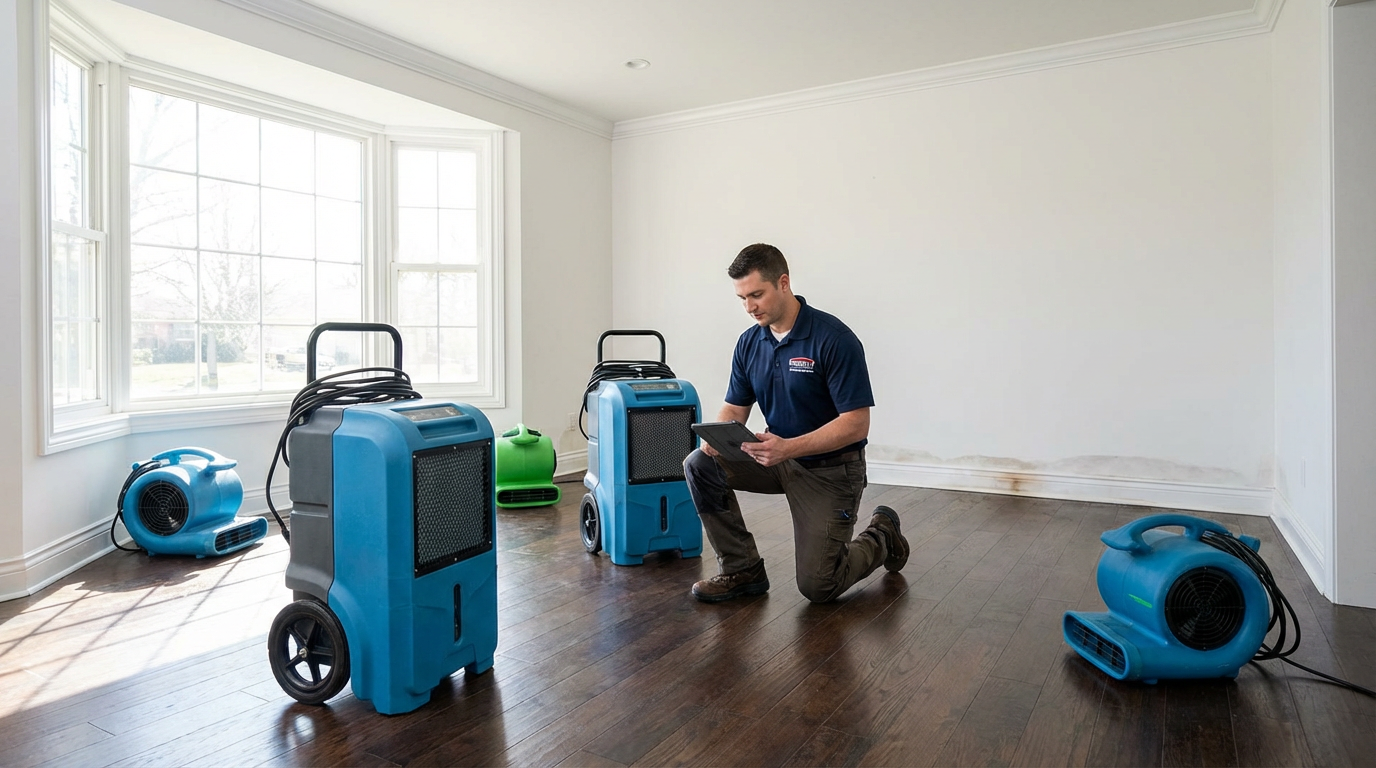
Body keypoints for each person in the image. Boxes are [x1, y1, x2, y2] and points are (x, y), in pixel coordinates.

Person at [682, 243, 909, 604]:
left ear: (783, 283)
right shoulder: (749, 343)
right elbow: (734, 409)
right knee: (700, 464)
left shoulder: (834, 339)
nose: (749, 306)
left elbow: (856, 424)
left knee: (819, 586)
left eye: (756, 294)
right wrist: (718, 435)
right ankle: (743, 570)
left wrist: (788, 447)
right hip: (777, 460)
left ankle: (881, 534)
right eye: (742, 298)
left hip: (831, 472)